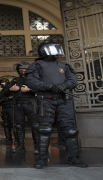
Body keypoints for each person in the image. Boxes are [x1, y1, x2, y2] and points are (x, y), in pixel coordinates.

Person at [25, 41, 88, 169]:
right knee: (44, 129)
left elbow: (73, 80)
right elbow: (32, 81)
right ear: (44, 50)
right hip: (46, 100)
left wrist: (64, 85)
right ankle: (42, 159)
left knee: (69, 130)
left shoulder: (64, 65)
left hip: (64, 100)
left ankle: (74, 157)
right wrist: (49, 87)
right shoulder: (36, 65)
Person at [5, 61, 39, 154]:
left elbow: (40, 90)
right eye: (21, 70)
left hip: (31, 104)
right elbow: (5, 93)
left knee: (35, 126)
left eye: (25, 70)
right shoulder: (15, 80)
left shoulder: (33, 79)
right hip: (18, 105)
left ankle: (37, 147)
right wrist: (10, 89)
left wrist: (29, 90)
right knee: (18, 126)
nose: (23, 71)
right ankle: (20, 146)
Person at [0, 78, 14, 145]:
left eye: (4, 82)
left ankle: (17, 140)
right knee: (6, 124)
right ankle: (8, 139)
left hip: (12, 108)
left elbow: (12, 97)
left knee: (13, 124)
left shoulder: (12, 89)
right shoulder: (1, 92)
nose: (3, 84)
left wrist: (3, 100)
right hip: (5, 108)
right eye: (1, 83)